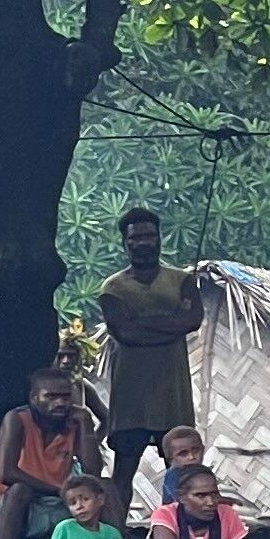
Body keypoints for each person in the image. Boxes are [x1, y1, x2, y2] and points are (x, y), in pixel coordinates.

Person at [97, 209, 204, 497]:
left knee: (182, 467)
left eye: (149, 236)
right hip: (131, 391)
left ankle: (178, 520)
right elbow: (125, 334)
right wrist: (172, 323)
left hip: (172, 389)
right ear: (125, 242)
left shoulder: (181, 280)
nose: (143, 242)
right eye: (135, 238)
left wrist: (140, 323)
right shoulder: (113, 288)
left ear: (159, 239)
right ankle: (116, 524)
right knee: (124, 467)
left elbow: (193, 320)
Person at [0, 363, 96, 539]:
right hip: (24, 503)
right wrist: (59, 490)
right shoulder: (17, 419)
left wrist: (86, 425)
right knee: (20, 490)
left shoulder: (74, 422)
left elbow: (93, 473)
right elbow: (7, 473)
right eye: (51, 397)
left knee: (106, 489)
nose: (60, 403)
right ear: (34, 398)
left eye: (66, 397)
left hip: (62, 502)